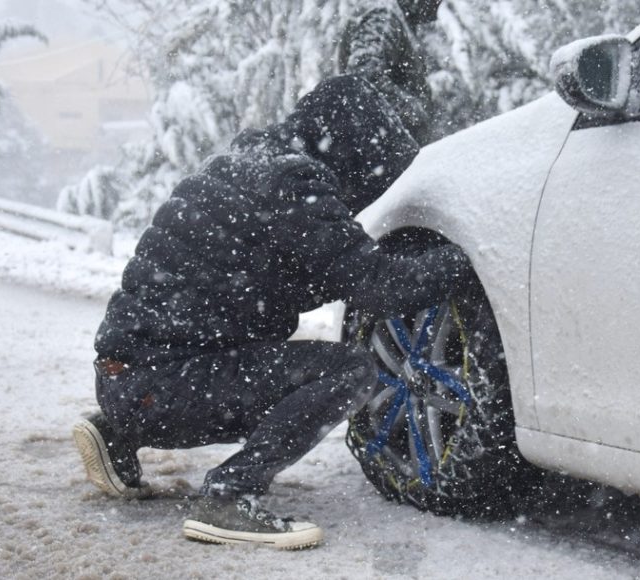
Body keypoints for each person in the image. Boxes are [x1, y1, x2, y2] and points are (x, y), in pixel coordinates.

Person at [71, 75, 469, 550]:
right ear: (351, 150)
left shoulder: (249, 167)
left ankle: (115, 429)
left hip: (128, 377)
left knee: (243, 350)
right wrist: (470, 255)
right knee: (349, 370)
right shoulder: (295, 189)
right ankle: (227, 496)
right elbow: (379, 289)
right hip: (164, 385)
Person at [339, 0, 444, 145]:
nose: (437, 5)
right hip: (384, 148)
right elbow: (363, 76)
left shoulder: (396, 17)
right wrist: (413, 112)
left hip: (390, 145)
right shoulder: (384, 15)